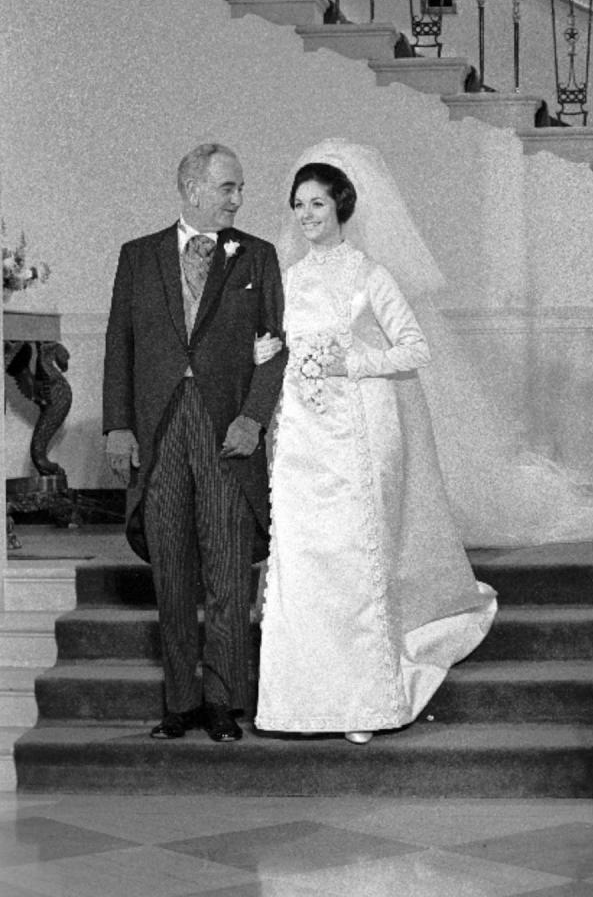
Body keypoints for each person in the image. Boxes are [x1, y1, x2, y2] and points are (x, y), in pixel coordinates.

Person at [253, 144, 498, 742]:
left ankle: (367, 701)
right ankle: (298, 700)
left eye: (317, 203)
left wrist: (354, 360)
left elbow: (416, 348)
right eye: (298, 205)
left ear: (341, 206)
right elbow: (282, 346)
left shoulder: (369, 275)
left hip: (360, 431)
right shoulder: (287, 280)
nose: (307, 214)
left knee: (355, 559)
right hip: (301, 440)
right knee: (304, 562)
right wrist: (268, 354)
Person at [102, 142, 286, 743]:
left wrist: (253, 419)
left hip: (226, 431)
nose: (238, 198)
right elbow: (119, 346)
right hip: (158, 433)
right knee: (173, 572)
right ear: (192, 190)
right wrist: (117, 425)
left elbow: (274, 348)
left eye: (239, 188)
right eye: (228, 187)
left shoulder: (257, 256)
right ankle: (179, 703)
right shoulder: (138, 257)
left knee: (230, 573)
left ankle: (223, 705)